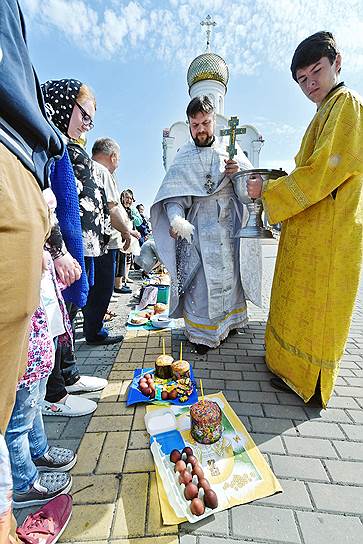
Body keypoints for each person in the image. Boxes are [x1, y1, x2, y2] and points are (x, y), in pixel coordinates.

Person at [247, 31, 363, 407]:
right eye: (302, 80)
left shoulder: (345, 104)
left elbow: (322, 172)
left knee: (319, 305)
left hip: (329, 230)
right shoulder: (326, 108)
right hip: (312, 226)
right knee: (299, 299)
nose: (311, 84)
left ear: (337, 63)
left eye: (316, 72)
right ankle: (287, 366)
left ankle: (309, 382)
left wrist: (270, 191)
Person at [0, 1, 73, 541]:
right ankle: (21, 478)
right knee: (19, 389)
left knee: (28, 368)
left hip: (19, 174)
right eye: (82, 113)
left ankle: (24, 473)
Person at [151, 95, 262, 354]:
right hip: (199, 230)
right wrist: (177, 220)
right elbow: (173, 197)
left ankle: (229, 324)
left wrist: (237, 177)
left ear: (214, 121)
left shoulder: (230, 151)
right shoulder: (183, 156)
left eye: (205, 122)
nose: (201, 129)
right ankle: (202, 334)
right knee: (201, 283)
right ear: (189, 125)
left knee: (229, 276)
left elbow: (248, 195)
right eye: (195, 124)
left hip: (228, 228)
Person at [41, 79, 111, 416]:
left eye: (91, 119)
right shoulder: (48, 142)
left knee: (72, 312)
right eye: (85, 114)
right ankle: (53, 394)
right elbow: (47, 199)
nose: (87, 123)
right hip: (64, 246)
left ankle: (68, 375)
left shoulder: (66, 143)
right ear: (65, 104)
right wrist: (59, 250)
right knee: (59, 317)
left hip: (83, 243)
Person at [5, 251, 74, 508]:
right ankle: (23, 483)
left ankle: (38, 450)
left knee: (33, 401)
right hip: (20, 322)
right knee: (18, 417)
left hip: (35, 315)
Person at [82, 137, 131, 343]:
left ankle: (88, 326)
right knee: (103, 288)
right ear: (113, 157)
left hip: (85, 242)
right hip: (103, 243)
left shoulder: (82, 165)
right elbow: (112, 209)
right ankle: (94, 332)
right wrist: (127, 232)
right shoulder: (103, 172)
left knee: (89, 288)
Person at [114, 189, 141, 294]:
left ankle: (119, 285)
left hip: (125, 239)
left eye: (130, 198)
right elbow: (119, 223)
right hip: (118, 239)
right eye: (127, 197)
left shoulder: (129, 210)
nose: (129, 200)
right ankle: (117, 287)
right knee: (118, 263)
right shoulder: (119, 209)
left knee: (123, 261)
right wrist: (131, 232)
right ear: (122, 198)